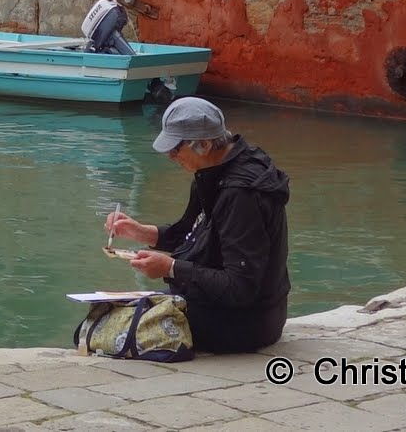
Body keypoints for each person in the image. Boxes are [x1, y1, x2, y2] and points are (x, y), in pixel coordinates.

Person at [106, 96, 291, 354]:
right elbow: (191, 232)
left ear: (203, 145)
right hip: (231, 308)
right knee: (116, 308)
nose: (170, 156)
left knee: (113, 326)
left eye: (176, 148)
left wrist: (170, 268)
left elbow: (241, 287)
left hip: (244, 323)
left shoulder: (241, 194)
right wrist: (140, 232)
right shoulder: (215, 171)